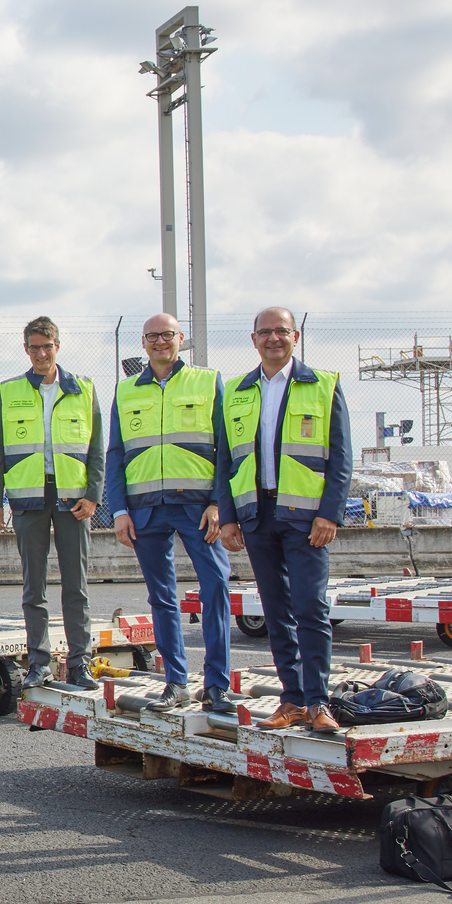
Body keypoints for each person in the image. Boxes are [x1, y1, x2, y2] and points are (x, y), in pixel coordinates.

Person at [218, 307, 352, 731]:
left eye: (281, 331)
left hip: (306, 518)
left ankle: (318, 702)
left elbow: (341, 458)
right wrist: (229, 517)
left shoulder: (324, 385)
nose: (273, 338)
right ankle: (291, 700)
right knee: (276, 612)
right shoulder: (236, 391)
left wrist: (330, 514)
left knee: (311, 608)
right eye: (265, 332)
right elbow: (226, 461)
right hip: (257, 516)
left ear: (296, 336)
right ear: (253, 339)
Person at [105, 313, 235, 711]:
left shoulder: (208, 382)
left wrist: (218, 503)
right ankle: (176, 683)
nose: (160, 342)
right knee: (161, 598)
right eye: (152, 336)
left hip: (198, 508)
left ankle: (217, 686)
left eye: (167, 335)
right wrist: (119, 510)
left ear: (180, 338)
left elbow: (226, 449)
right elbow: (116, 454)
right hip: (145, 510)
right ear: (143, 343)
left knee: (215, 588)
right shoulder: (125, 391)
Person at [0, 315, 104, 690]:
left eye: (46, 347)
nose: (40, 354)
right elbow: (1, 450)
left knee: (76, 586)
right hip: (28, 498)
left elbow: (96, 449)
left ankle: (79, 663)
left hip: (73, 499)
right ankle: (39, 664)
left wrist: (93, 495)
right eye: (34, 348)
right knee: (33, 588)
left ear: (57, 347)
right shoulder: (11, 390)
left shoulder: (84, 389)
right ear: (26, 349)